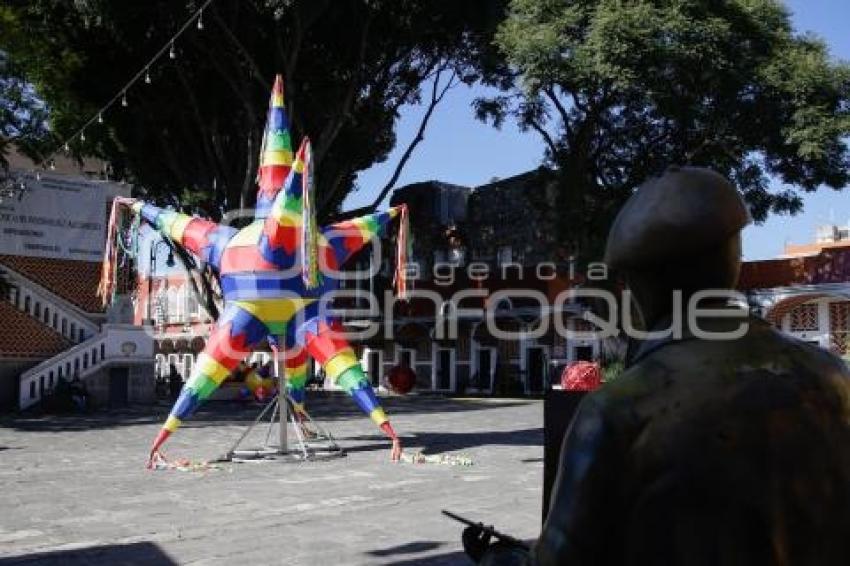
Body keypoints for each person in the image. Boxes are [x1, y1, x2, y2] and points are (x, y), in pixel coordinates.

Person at [468, 166, 850, 565]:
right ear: (734, 258)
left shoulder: (619, 412)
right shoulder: (833, 375)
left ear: (637, 286)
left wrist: (499, 558)